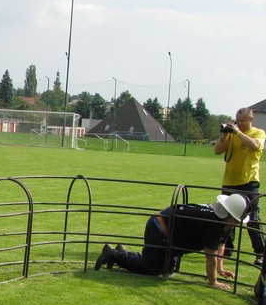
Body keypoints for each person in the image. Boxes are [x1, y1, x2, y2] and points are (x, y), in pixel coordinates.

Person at [94, 193, 250, 291]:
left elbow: (220, 245)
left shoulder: (223, 221)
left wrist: (220, 269)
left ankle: (123, 252)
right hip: (159, 228)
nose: (238, 223)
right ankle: (113, 254)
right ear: (230, 215)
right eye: (237, 219)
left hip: (170, 233)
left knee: (167, 269)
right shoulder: (214, 225)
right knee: (152, 269)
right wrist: (213, 281)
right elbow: (210, 256)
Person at [213, 107, 265, 267]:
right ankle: (226, 251)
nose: (239, 123)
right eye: (237, 120)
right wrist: (224, 134)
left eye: (242, 120)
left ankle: (261, 253)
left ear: (251, 120)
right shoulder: (231, 134)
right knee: (227, 218)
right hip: (230, 182)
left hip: (249, 182)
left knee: (253, 219)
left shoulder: (258, 133)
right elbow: (217, 150)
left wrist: (236, 132)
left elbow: (255, 146)